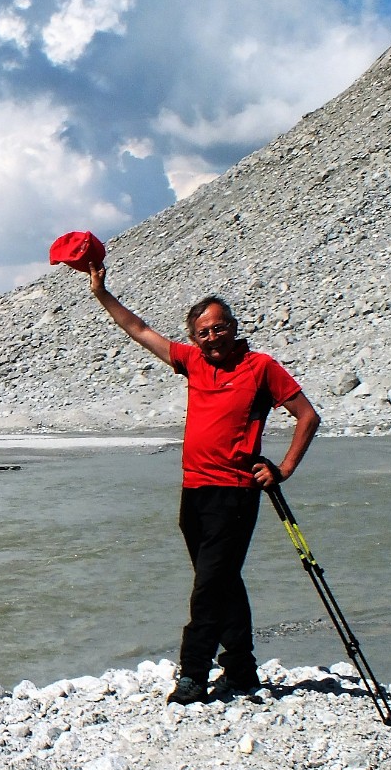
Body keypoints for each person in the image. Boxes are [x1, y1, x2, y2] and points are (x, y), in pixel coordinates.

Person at [84, 260, 320, 705]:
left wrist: (283, 469)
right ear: (194, 338)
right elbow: (139, 329)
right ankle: (242, 669)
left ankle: (193, 674)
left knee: (209, 586)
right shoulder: (192, 362)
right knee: (222, 581)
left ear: (233, 328)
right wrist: (101, 293)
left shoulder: (261, 367)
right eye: (203, 332)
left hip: (235, 492)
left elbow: (307, 417)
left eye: (218, 328)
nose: (211, 338)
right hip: (193, 490)